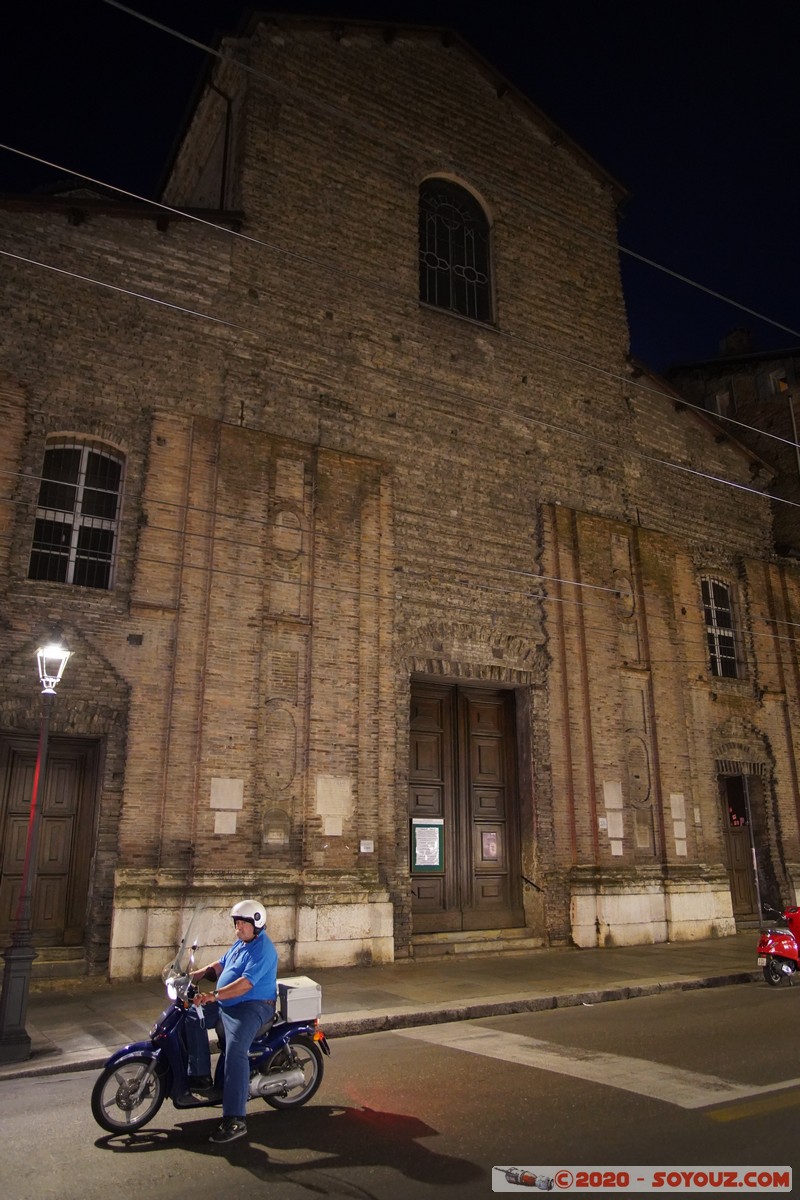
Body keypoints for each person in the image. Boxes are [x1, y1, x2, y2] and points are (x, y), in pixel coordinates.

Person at [185, 898, 278, 1145]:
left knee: (236, 1049)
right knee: (192, 1016)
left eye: (243, 923)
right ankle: (200, 1076)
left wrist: (213, 995)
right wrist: (195, 975)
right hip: (228, 1001)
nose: (238, 927)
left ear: (257, 924)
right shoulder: (241, 943)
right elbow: (221, 965)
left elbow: (245, 984)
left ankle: (236, 1119)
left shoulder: (264, 949)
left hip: (253, 1006)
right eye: (236, 923)